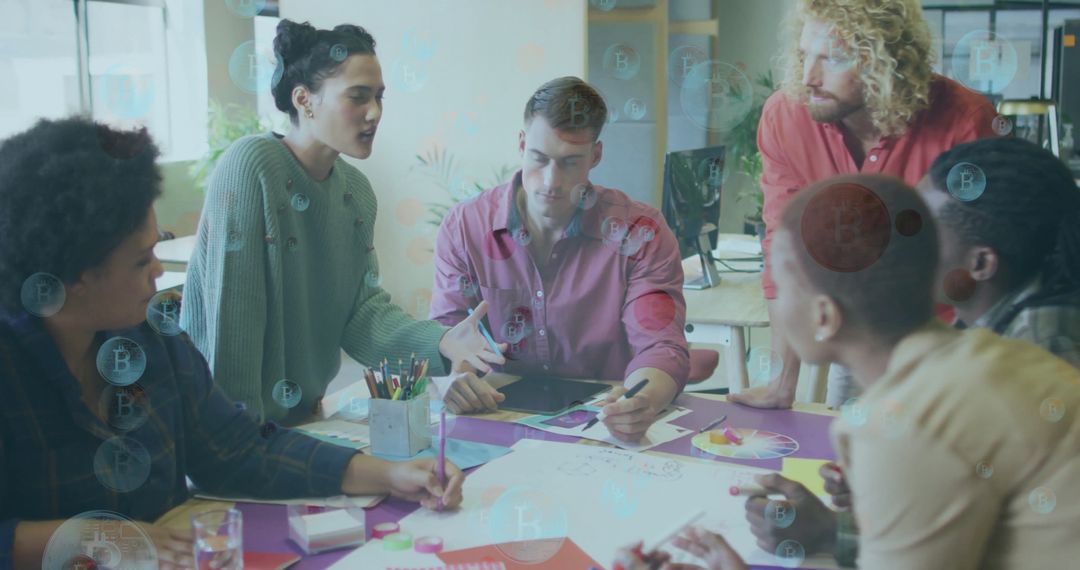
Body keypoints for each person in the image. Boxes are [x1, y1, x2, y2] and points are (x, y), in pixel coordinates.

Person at [0, 118, 464, 570]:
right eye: (142, 261)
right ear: (76, 277)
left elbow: (238, 449)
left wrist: (390, 474)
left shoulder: (152, 339)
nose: (158, 271)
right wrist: (100, 537)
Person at [616, 174, 1080, 569]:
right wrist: (842, 530)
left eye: (780, 287)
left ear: (823, 316)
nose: (774, 301)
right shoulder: (990, 357)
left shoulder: (904, 423)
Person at [180, 20, 502, 424]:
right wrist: (242, 439)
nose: (374, 113)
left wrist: (443, 341)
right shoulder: (250, 166)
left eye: (379, 97)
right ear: (304, 100)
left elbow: (363, 314)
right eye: (358, 97)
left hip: (300, 420)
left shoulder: (357, 192)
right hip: (227, 428)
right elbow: (234, 323)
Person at [733, 0, 999, 410]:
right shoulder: (786, 117)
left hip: (949, 341)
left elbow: (985, 264)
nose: (809, 77)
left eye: (833, 58)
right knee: (850, 444)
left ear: (886, 61)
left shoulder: (965, 121)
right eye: (805, 55)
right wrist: (781, 383)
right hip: (858, 343)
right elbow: (783, 247)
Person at [428, 77, 689, 441]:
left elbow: (659, 345)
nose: (551, 181)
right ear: (522, 144)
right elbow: (446, 331)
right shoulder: (465, 227)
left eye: (570, 162)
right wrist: (451, 379)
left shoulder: (640, 232)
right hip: (497, 418)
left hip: (602, 423)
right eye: (539, 159)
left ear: (595, 156)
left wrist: (643, 400)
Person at [922, 136, 1080, 367]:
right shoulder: (986, 324)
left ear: (981, 264)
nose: (902, 245)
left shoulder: (1039, 352)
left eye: (922, 234)